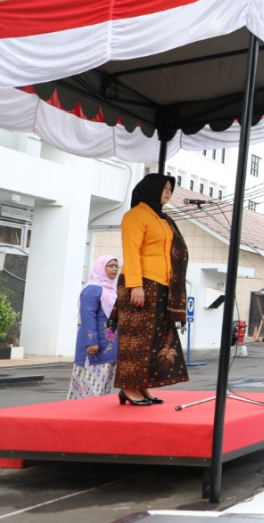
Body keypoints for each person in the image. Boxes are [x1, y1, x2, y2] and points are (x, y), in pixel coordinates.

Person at [112, 173, 189, 406]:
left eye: (171, 189)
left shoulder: (163, 219)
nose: (169, 193)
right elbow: (131, 251)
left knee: (155, 339)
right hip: (141, 284)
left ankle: (142, 384)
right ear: (151, 189)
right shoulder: (136, 215)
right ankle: (128, 386)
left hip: (162, 286)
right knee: (136, 339)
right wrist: (135, 285)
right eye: (165, 188)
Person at [67, 256, 120, 399]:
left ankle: (98, 410)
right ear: (100, 268)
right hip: (94, 345)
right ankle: (83, 409)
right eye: (110, 265)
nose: (115, 269)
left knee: (104, 382)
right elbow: (87, 317)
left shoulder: (113, 290)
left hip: (109, 343)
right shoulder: (92, 290)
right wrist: (91, 341)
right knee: (90, 382)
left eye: (116, 266)